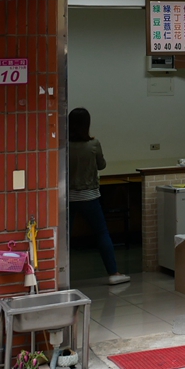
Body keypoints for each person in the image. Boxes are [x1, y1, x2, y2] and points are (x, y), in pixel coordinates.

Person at [68, 107, 129, 285]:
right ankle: (113, 273)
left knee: (65, 238)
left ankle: (58, 276)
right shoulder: (93, 144)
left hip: (69, 198)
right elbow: (101, 165)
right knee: (102, 233)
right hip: (90, 196)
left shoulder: (64, 145)